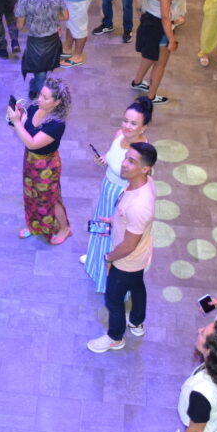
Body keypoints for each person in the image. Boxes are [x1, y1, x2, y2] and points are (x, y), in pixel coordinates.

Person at [87, 142, 158, 352]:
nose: (123, 164)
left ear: (145, 168)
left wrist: (109, 258)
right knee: (137, 286)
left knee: (113, 299)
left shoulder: (139, 205)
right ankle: (136, 321)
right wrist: (114, 220)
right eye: (126, 157)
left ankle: (115, 337)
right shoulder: (145, 182)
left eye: (131, 161)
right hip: (141, 254)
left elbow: (128, 245)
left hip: (127, 260)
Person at [81, 97, 151, 292]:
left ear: (144, 127)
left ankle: (106, 274)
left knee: (114, 232)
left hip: (122, 195)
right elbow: (112, 156)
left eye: (134, 123)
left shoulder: (141, 153)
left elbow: (141, 182)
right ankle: (95, 258)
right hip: (107, 187)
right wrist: (104, 159)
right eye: (125, 120)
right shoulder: (119, 134)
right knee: (101, 224)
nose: (127, 126)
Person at [5, 77, 73, 244]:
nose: (39, 99)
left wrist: (16, 122)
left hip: (47, 165)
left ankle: (65, 228)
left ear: (57, 102)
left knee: (50, 198)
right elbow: (23, 127)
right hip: (30, 159)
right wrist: (18, 116)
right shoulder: (35, 106)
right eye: (41, 94)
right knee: (30, 194)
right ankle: (34, 225)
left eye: (45, 97)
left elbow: (32, 142)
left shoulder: (57, 124)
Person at [15, 0, 69, 97]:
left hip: (35, 42)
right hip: (52, 40)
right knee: (42, 70)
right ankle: (37, 88)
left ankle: (40, 99)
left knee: (39, 73)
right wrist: (50, 17)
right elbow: (65, 16)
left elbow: (19, 26)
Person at [131, 0, 177, 105]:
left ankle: (137, 81)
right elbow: (165, 17)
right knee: (160, 64)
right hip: (159, 28)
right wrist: (171, 39)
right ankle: (150, 97)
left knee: (149, 56)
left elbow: (138, 6)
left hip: (147, 22)